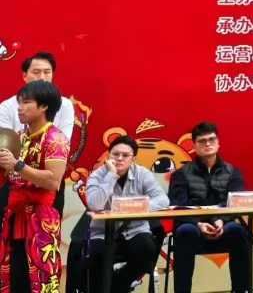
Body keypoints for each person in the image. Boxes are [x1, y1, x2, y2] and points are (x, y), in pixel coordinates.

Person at [0, 80, 68, 293]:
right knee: (15, 277)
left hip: (41, 219)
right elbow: (9, 175)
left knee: (41, 279)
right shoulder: (20, 136)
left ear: (44, 106)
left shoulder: (55, 138)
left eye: (26, 102)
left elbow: (53, 181)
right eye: (19, 102)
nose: (20, 108)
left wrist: (17, 165)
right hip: (15, 215)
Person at [168, 121, 251, 293]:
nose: (207, 144)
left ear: (218, 143)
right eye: (202, 141)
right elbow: (177, 206)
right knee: (185, 231)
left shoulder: (232, 172)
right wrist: (199, 223)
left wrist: (220, 220)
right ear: (194, 146)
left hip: (223, 226)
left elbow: (236, 202)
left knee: (238, 231)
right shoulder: (181, 174)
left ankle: (241, 290)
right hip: (193, 227)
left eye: (211, 139)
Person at [84, 134, 167, 293]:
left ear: (133, 159)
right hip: (103, 233)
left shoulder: (142, 174)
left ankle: (118, 285)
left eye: (125, 155)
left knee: (148, 249)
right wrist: (112, 175)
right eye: (115, 154)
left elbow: (163, 199)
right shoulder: (98, 175)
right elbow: (94, 204)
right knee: (98, 256)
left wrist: (137, 207)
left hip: (136, 230)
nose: (120, 158)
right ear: (108, 156)